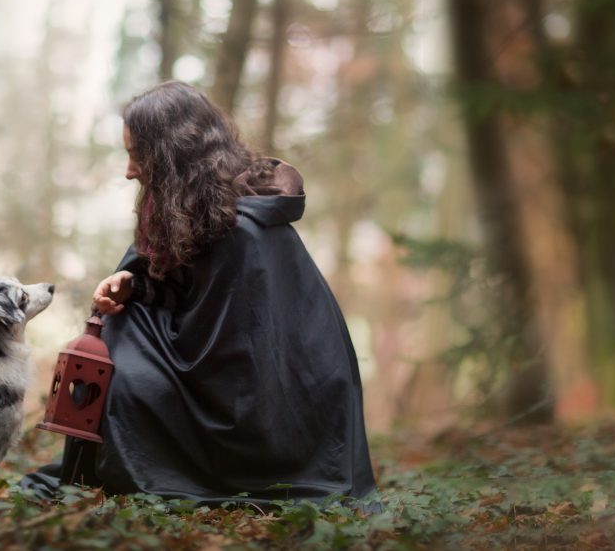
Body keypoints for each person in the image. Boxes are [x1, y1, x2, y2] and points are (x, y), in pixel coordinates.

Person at [22, 81, 377, 506]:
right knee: (117, 332)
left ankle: (145, 471)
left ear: (172, 154)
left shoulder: (244, 231)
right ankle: (108, 466)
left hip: (258, 410)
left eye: (138, 155)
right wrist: (134, 282)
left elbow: (228, 355)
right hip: (219, 373)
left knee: (123, 356)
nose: (129, 171)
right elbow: (187, 292)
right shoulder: (190, 209)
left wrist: (137, 315)